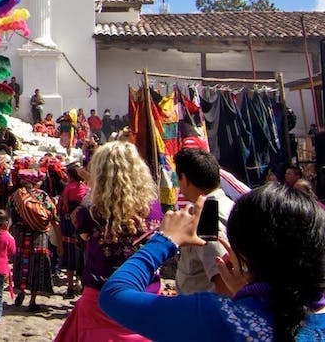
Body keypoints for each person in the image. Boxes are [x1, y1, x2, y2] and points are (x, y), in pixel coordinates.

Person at [100, 184, 325, 341]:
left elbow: (115, 295)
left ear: (243, 258)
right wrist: (248, 294)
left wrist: (165, 240)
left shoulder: (218, 317)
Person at [55, 141, 162, 342]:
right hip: (146, 296)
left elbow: (84, 234)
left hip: (100, 299)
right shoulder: (154, 208)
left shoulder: (92, 210)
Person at [173, 148, 234, 295]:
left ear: (185, 179)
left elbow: (222, 277)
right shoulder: (229, 204)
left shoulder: (207, 218)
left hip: (204, 311)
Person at [8, 170, 57, 312]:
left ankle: (21, 291)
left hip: (20, 234)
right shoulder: (43, 196)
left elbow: (10, 215)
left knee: (20, 262)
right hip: (39, 235)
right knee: (37, 265)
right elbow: (53, 217)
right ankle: (33, 300)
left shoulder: (15, 197)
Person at [58, 163, 88, 299]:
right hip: (82, 223)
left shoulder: (68, 188)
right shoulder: (85, 188)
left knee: (70, 254)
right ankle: (80, 283)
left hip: (69, 223)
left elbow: (64, 206)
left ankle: (70, 286)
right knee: (81, 254)